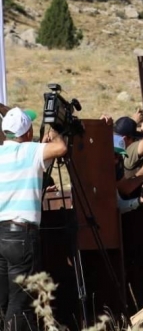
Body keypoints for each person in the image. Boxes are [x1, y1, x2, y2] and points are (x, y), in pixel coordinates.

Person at [0, 107, 67, 330]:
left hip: (1, 234)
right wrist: (56, 129)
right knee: (22, 302)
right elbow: (61, 148)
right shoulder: (31, 151)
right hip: (21, 235)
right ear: (28, 133)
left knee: (3, 298)